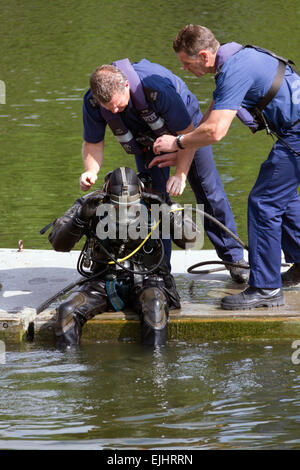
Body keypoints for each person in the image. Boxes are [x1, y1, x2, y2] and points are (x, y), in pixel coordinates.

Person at [153, 24, 300, 310]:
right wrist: (184, 155)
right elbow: (209, 119)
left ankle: (266, 288)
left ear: (205, 56)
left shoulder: (234, 69)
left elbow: (216, 131)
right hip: (293, 132)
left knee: (264, 202)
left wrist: (177, 142)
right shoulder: (236, 59)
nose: (184, 69)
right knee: (284, 198)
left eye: (186, 62)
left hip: (297, 133)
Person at [79, 58, 248, 283]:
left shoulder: (156, 89)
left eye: (118, 105)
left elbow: (186, 132)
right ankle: (159, 270)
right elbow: (93, 142)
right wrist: (91, 170)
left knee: (208, 192)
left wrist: (181, 173)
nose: (115, 110)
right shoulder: (93, 101)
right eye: (109, 108)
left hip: (186, 134)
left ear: (126, 86)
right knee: (153, 202)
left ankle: (234, 259)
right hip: (146, 139)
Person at [48, 166, 195, 347]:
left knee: (155, 307)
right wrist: (80, 218)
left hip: (148, 278)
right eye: (119, 205)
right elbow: (58, 244)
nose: (125, 210)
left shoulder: (155, 202)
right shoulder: (91, 203)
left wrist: (168, 214)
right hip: (102, 279)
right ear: (108, 197)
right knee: (67, 311)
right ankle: (69, 368)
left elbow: (191, 239)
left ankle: (155, 369)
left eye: (131, 205)